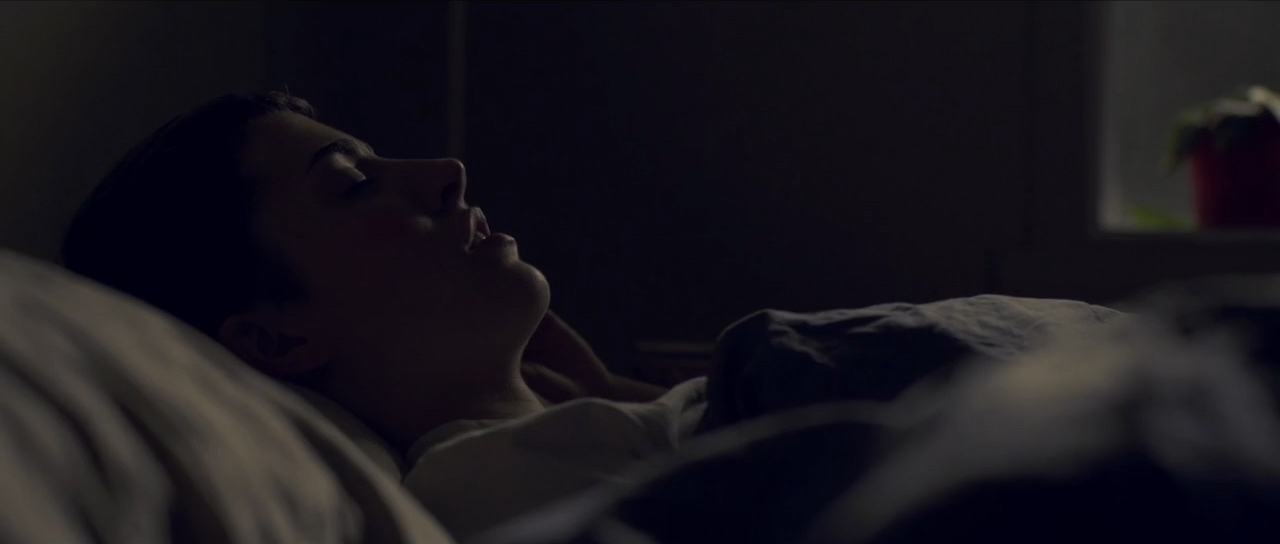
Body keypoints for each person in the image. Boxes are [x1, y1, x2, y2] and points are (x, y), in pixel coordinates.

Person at [60, 91, 697, 539]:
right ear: (275, 338)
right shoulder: (491, 486)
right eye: (355, 185)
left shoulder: (605, 428)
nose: (447, 172)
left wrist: (614, 392)